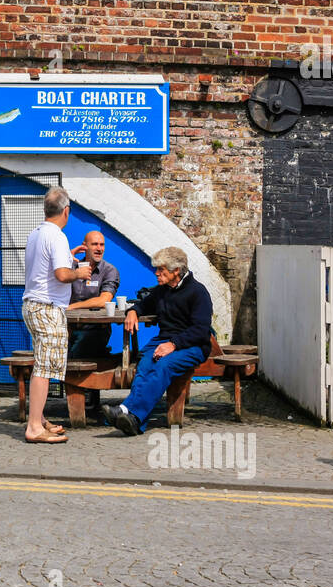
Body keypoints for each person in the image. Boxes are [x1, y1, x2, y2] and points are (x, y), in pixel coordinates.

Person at [102, 246, 213, 436]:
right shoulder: (163, 290)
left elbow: (201, 330)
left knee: (163, 365)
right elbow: (143, 304)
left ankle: (126, 410)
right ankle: (135, 422)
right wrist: (133, 312)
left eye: (161, 270)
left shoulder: (198, 292)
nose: (157, 273)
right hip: (164, 340)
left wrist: (174, 344)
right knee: (144, 366)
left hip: (192, 345)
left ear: (176, 271)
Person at [21, 186, 92, 443]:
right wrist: (80, 273)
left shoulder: (36, 234)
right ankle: (34, 428)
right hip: (47, 307)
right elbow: (62, 276)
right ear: (66, 211)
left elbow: (47, 266)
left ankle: (39, 419)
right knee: (44, 367)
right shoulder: (58, 236)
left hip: (33, 305)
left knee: (43, 361)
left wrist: (68, 259)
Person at [66, 231, 121, 407]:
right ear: (85, 246)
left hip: (96, 329)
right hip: (69, 327)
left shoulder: (109, 270)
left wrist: (72, 307)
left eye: (102, 245)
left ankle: (80, 395)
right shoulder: (71, 268)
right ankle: (78, 392)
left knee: (80, 347)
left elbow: (104, 299)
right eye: (94, 244)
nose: (99, 248)